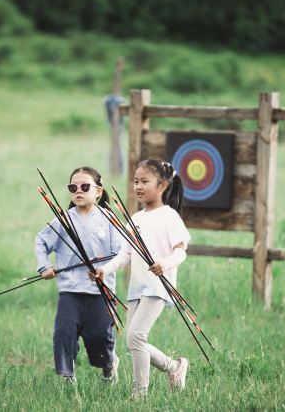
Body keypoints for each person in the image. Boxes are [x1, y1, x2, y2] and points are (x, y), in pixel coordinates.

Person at [93, 159, 191, 398]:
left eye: (145, 181)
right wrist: (105, 269)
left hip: (158, 286)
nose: (138, 186)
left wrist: (164, 264)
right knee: (132, 341)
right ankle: (173, 366)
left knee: (137, 336)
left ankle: (139, 393)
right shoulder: (135, 219)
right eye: (136, 181)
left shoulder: (169, 216)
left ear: (162, 186)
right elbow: (125, 254)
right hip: (137, 287)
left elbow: (181, 250)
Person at [35, 167, 121, 384]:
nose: (78, 191)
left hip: (101, 291)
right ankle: (67, 375)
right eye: (73, 187)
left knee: (100, 336)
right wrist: (44, 266)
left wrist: (105, 269)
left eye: (85, 187)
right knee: (63, 333)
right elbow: (41, 241)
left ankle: (109, 364)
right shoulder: (64, 219)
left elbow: (121, 253)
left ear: (98, 191)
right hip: (70, 290)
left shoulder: (109, 219)